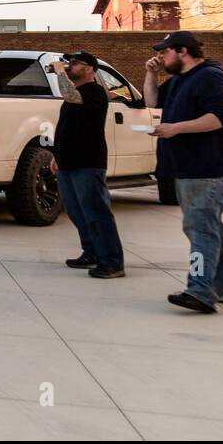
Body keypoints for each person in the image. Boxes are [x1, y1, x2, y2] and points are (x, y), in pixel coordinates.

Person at [144, 31, 223, 313]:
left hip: (206, 167)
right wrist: (152, 74)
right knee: (211, 226)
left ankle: (200, 290)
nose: (161, 57)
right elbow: (152, 103)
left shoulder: (209, 77)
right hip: (188, 166)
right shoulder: (179, 80)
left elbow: (219, 118)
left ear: (183, 51)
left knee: (199, 227)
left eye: (165, 52)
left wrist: (175, 128)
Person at [50, 51, 125, 278]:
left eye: (75, 63)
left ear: (90, 68)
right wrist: (57, 155)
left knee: (96, 212)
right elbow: (66, 126)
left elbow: (70, 95)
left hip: (88, 163)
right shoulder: (74, 94)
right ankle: (91, 253)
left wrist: (60, 72)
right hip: (68, 162)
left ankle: (112, 262)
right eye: (68, 63)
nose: (70, 66)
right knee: (76, 212)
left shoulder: (94, 91)